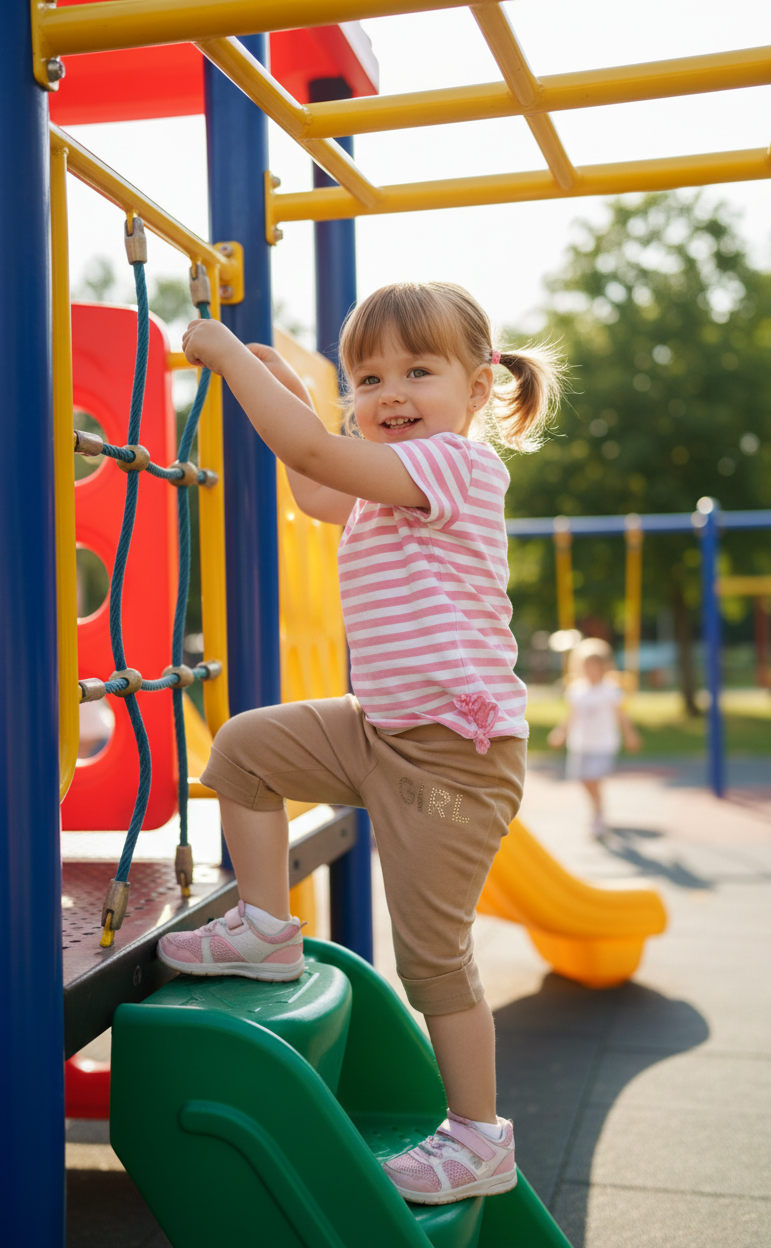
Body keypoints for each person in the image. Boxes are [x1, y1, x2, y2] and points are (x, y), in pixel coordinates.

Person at [157, 281, 562, 1206]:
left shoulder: (458, 468)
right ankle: (265, 926)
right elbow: (312, 475)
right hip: (376, 727)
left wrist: (226, 358)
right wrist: (292, 395)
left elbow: (308, 452)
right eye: (367, 376)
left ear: (478, 385)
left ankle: (477, 1136)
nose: (389, 393)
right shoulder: (383, 484)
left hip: (455, 757)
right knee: (248, 750)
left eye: (418, 371)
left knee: (431, 955)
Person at [547, 637, 641, 837]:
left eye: (596, 665)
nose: (591, 670)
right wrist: (560, 732)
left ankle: (597, 814)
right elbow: (570, 716)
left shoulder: (611, 690)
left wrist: (630, 735)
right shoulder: (576, 690)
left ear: (604, 667)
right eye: (587, 665)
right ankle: (597, 808)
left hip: (603, 743)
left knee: (594, 778)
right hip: (581, 743)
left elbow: (622, 717)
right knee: (583, 779)